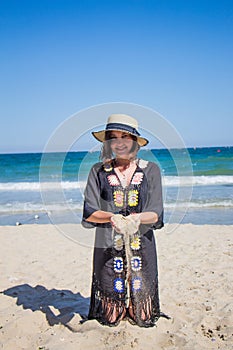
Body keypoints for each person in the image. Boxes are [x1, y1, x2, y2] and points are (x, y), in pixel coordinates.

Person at [82, 113, 166, 327]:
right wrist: (113, 217)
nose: (119, 143)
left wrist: (136, 218)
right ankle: (117, 304)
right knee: (110, 317)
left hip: (141, 242)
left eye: (125, 137)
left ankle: (135, 305)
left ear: (135, 141)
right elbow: (90, 211)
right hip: (108, 244)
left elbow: (156, 212)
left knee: (143, 317)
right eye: (113, 137)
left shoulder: (151, 170)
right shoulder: (98, 171)